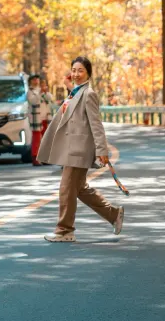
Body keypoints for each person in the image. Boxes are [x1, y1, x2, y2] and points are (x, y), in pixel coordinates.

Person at [38, 56, 124, 242]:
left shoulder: (89, 94)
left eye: (80, 71)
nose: (76, 74)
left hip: (79, 150)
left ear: (88, 74)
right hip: (72, 149)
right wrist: (69, 83)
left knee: (66, 188)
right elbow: (73, 94)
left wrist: (102, 150)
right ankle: (113, 214)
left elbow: (96, 124)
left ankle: (65, 231)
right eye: (74, 70)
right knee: (80, 189)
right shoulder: (76, 92)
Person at [27, 74, 44, 166]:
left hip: (42, 116)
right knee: (36, 137)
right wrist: (39, 93)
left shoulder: (39, 90)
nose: (36, 81)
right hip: (35, 117)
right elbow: (33, 101)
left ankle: (42, 157)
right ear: (31, 81)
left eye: (37, 79)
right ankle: (35, 157)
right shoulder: (30, 91)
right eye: (34, 80)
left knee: (41, 138)